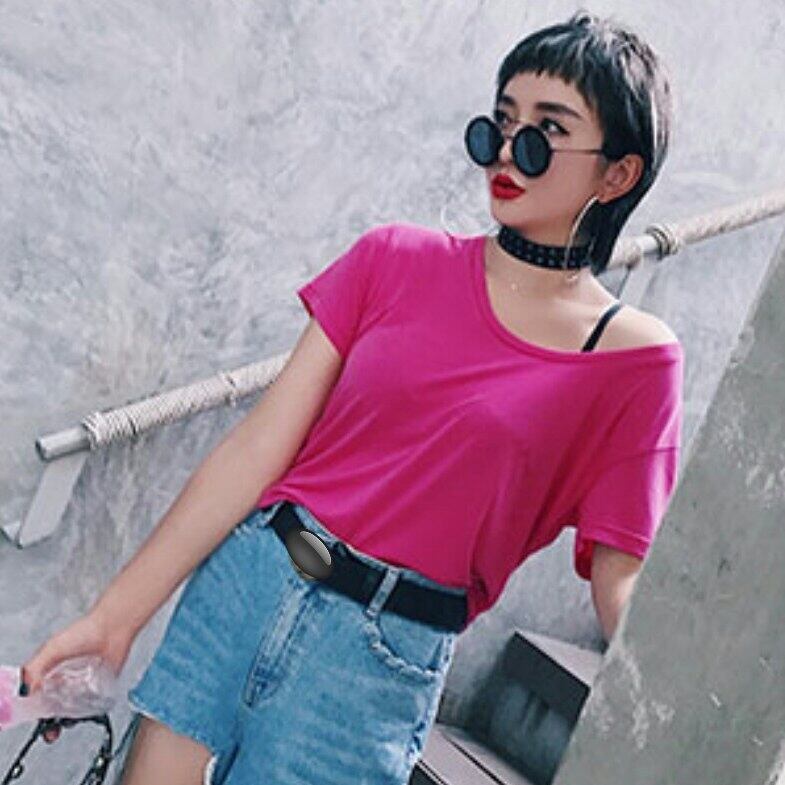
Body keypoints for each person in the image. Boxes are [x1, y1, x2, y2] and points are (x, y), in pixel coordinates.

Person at [18, 9, 684, 784]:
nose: (507, 151)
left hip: (375, 662)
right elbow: (254, 450)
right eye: (498, 124)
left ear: (616, 174)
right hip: (248, 581)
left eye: (545, 133)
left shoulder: (632, 360)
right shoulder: (394, 258)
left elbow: (621, 578)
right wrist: (113, 618)